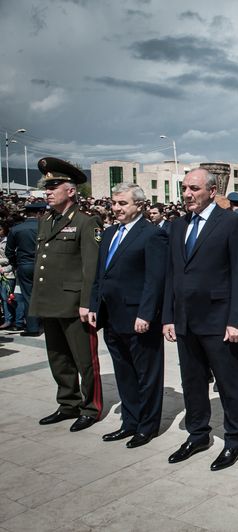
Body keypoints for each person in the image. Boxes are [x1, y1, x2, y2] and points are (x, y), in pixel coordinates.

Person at [162, 168, 238, 471]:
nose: (187, 194)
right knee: (192, 382)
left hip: (219, 320)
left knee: (228, 383)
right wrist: (168, 317)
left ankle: (236, 439)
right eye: (184, 188)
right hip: (185, 320)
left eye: (194, 188)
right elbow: (172, 275)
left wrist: (237, 320)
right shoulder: (176, 226)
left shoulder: (232, 223)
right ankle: (198, 434)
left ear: (212, 191)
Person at [88, 183, 168, 448]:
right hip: (112, 316)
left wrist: (146, 313)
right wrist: (93, 307)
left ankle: (147, 427)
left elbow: (154, 280)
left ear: (139, 205)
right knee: (124, 373)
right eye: (114, 203)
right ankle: (130, 423)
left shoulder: (151, 234)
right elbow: (101, 275)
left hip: (139, 318)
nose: (117, 208)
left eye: (123, 203)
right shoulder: (110, 233)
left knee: (147, 375)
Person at [30, 157, 103, 432]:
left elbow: (91, 267)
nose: (48, 191)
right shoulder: (46, 220)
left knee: (85, 360)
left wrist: (87, 303)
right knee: (58, 358)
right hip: (50, 301)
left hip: (75, 304)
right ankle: (68, 402)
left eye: (54, 185)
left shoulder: (86, 222)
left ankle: (91, 407)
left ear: (71, 190)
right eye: (47, 187)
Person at [6, 201, 46, 336]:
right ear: (40, 213)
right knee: (46, 294)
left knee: (28, 296)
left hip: (25, 265)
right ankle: (47, 324)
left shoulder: (17, 229)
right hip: (44, 264)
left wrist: (16, 264)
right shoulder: (46, 227)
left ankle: (33, 327)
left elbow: (9, 251)